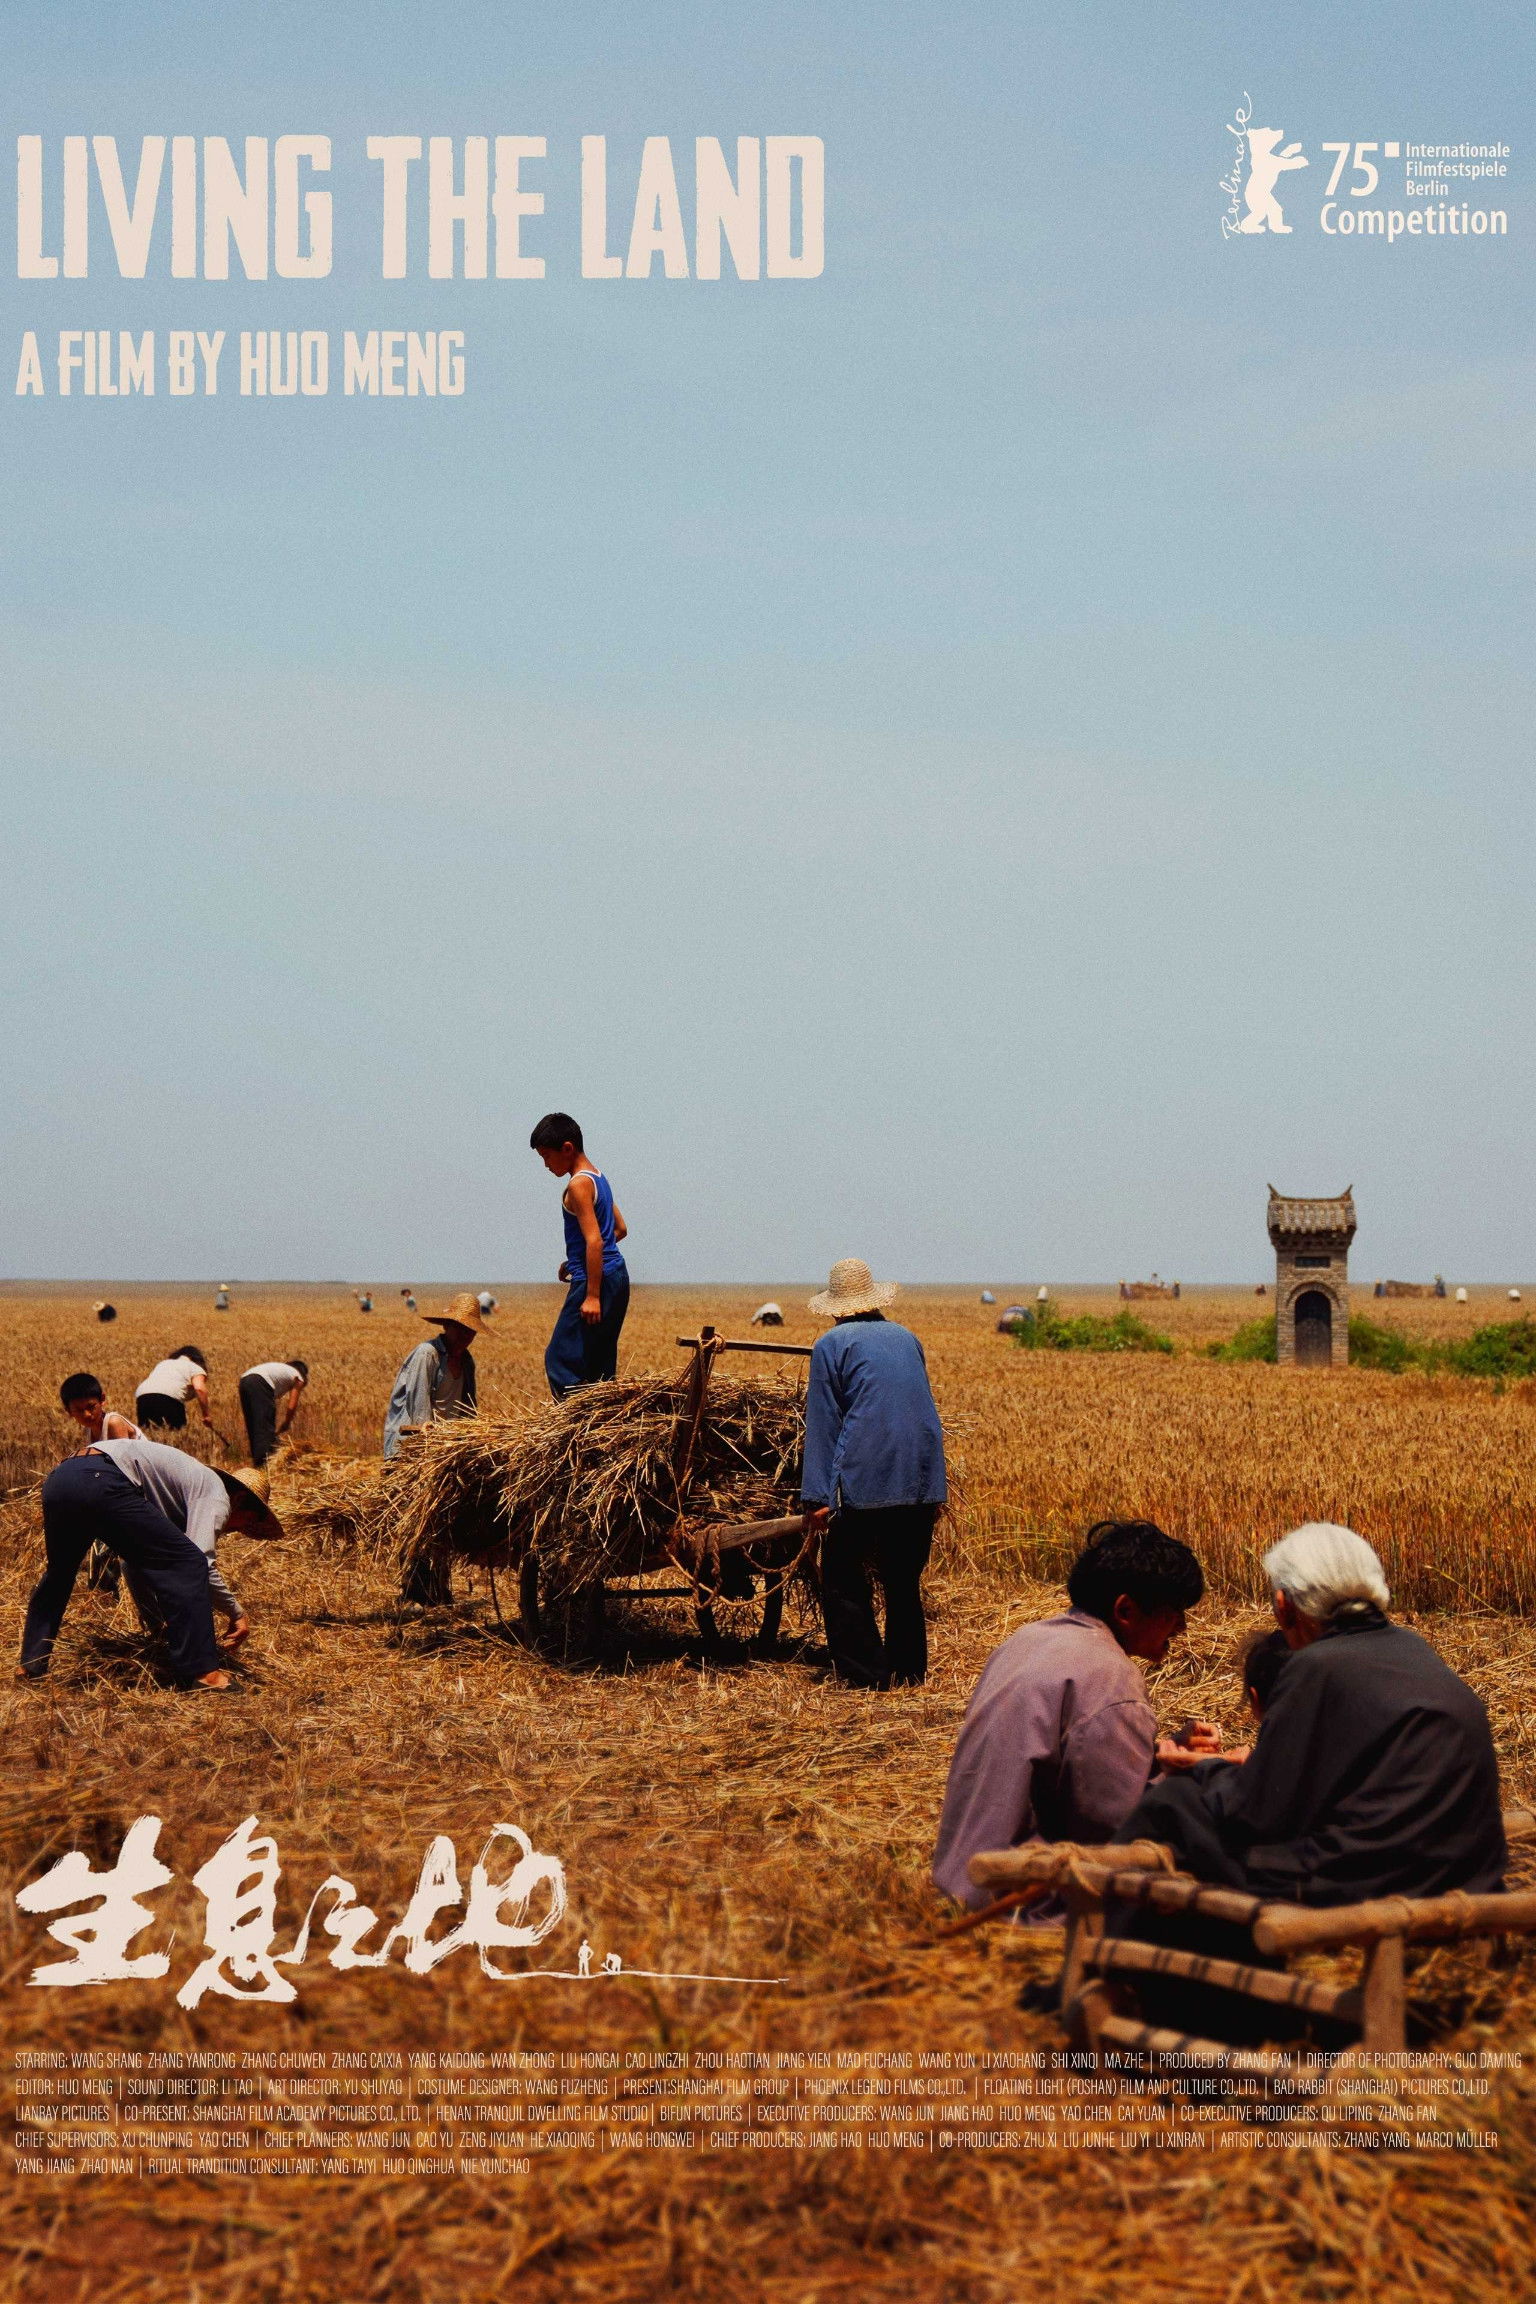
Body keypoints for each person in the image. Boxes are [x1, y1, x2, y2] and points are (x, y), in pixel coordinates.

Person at [1122, 1524, 1506, 1906]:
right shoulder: (1414, 1648)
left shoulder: (1316, 1666)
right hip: (1467, 1873)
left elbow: (1256, 1813)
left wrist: (1204, 1770)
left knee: (1174, 1801)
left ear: (1284, 1606)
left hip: (1376, 1881)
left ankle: (1110, 1924)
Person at [932, 1520, 1206, 1908]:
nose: (1182, 1627)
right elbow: (1113, 1825)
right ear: (1126, 1610)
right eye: (1174, 1613)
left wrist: (1164, 1753)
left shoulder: (1029, 1638)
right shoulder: (1111, 1678)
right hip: (1023, 1900)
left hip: (962, 1878)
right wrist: (1190, 1779)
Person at [18, 1440, 279, 1689]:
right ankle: (205, 1674)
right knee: (191, 1562)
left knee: (59, 1574)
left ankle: (31, 1664)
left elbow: (134, 1564)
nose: (236, 1530)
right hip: (103, 1478)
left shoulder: (181, 1491)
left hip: (61, 1478)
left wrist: (157, 1629)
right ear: (240, 1500)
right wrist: (236, 1613)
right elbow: (201, 1563)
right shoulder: (217, 1494)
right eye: (246, 1522)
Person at [799, 1258, 948, 1687]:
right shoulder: (907, 1337)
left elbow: (824, 1422)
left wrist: (817, 1497)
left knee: (841, 1577)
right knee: (902, 1578)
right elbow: (917, 1408)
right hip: (920, 1475)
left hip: (865, 1474)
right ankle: (909, 1670)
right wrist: (934, 1487)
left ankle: (866, 1675)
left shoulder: (831, 1344)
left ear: (836, 1309)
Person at [530, 1113, 630, 1399]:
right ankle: (604, 1417)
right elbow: (619, 1229)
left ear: (567, 1148)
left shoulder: (578, 1185)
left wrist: (592, 1295)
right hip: (617, 1276)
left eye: (547, 1156)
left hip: (595, 1281)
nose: (546, 1164)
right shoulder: (598, 1177)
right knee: (598, 1361)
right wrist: (576, 1260)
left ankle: (575, 1421)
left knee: (560, 1359)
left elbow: (595, 1240)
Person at [383, 1294, 485, 1458]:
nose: (465, 1335)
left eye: (470, 1330)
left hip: (445, 1447)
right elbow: (419, 1405)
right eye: (460, 1328)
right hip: (412, 1447)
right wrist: (427, 1438)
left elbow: (468, 1408)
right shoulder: (428, 1354)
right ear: (446, 1325)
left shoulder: (467, 1361)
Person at [238, 1359, 309, 1467]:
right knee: (264, 1426)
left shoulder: (282, 1369)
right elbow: (292, 1405)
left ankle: (257, 1462)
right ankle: (264, 1464)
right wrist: (287, 1422)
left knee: (253, 1424)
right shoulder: (298, 1377)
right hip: (260, 1383)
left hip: (244, 1381)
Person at [134, 1346, 213, 1434]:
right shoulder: (196, 1367)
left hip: (142, 1397)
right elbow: (199, 1389)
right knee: (176, 1432)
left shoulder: (163, 1363)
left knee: (148, 1434)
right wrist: (206, 1415)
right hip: (168, 1399)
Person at [60, 1371, 142, 1449]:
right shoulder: (88, 1430)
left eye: (91, 1407)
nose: (87, 1414)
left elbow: (124, 1457)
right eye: (79, 1410)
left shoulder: (113, 1423)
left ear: (102, 1399)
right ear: (69, 1411)